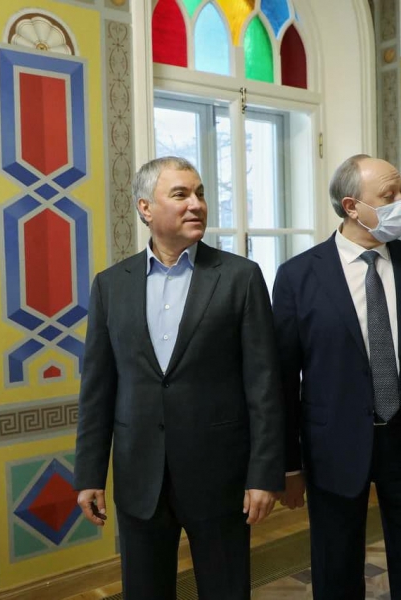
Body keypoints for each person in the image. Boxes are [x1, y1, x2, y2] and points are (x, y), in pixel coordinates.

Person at [74, 156, 284, 600]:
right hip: (139, 477)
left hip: (220, 477)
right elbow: (97, 390)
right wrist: (89, 474)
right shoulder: (111, 285)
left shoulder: (240, 278)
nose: (197, 204)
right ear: (146, 208)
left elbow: (264, 386)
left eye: (200, 194)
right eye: (181, 194)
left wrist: (264, 473)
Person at [273, 154, 401, 599]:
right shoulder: (297, 276)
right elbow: (282, 382)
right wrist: (288, 465)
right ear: (351, 207)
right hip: (333, 447)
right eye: (389, 195)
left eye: (400, 191)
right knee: (336, 566)